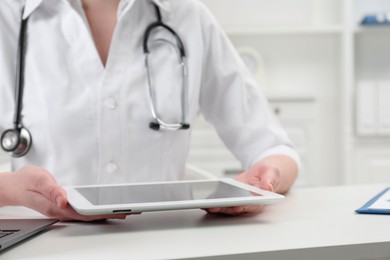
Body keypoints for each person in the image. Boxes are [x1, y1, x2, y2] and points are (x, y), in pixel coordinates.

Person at [0, 0, 299, 220]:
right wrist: (11, 189)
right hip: (49, 247)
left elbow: (274, 149)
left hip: (169, 245)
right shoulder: (9, 18)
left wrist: (265, 179)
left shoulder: (188, 16)